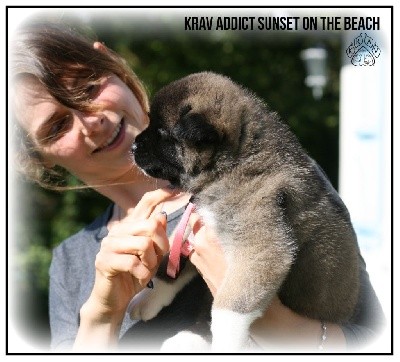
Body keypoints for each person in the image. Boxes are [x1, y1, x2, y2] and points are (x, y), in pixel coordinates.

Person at [11, 21, 386, 353]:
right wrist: (102, 316)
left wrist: (275, 328)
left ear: (113, 66)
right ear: (38, 159)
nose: (91, 122)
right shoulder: (70, 265)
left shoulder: (275, 177)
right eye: (57, 126)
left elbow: (372, 337)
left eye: (89, 88)